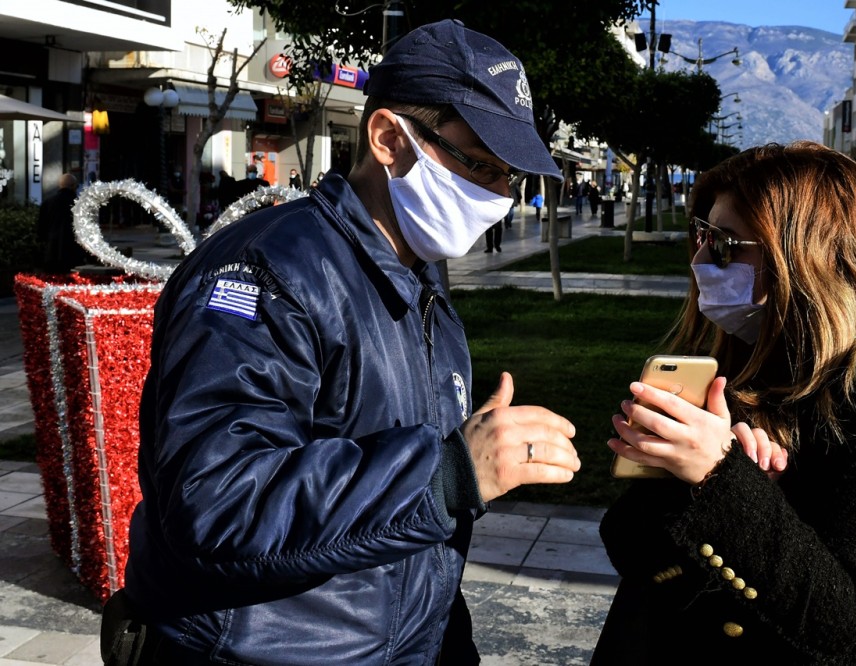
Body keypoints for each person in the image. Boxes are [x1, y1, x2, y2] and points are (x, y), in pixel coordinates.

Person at [102, 19, 580, 666]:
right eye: (482, 168)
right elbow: (214, 500)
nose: (499, 197)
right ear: (388, 139)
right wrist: (445, 474)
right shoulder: (267, 272)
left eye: (510, 179)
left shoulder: (417, 278)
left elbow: (394, 528)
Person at [592, 142, 856, 664]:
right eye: (703, 236)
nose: (701, 259)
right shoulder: (751, 367)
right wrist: (682, 474)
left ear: (808, 255)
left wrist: (720, 480)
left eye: (728, 244)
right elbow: (626, 546)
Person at [36, 173, 88, 273]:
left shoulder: (48, 203)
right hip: (74, 253)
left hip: (52, 252)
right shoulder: (80, 204)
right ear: (73, 186)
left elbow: (41, 230)